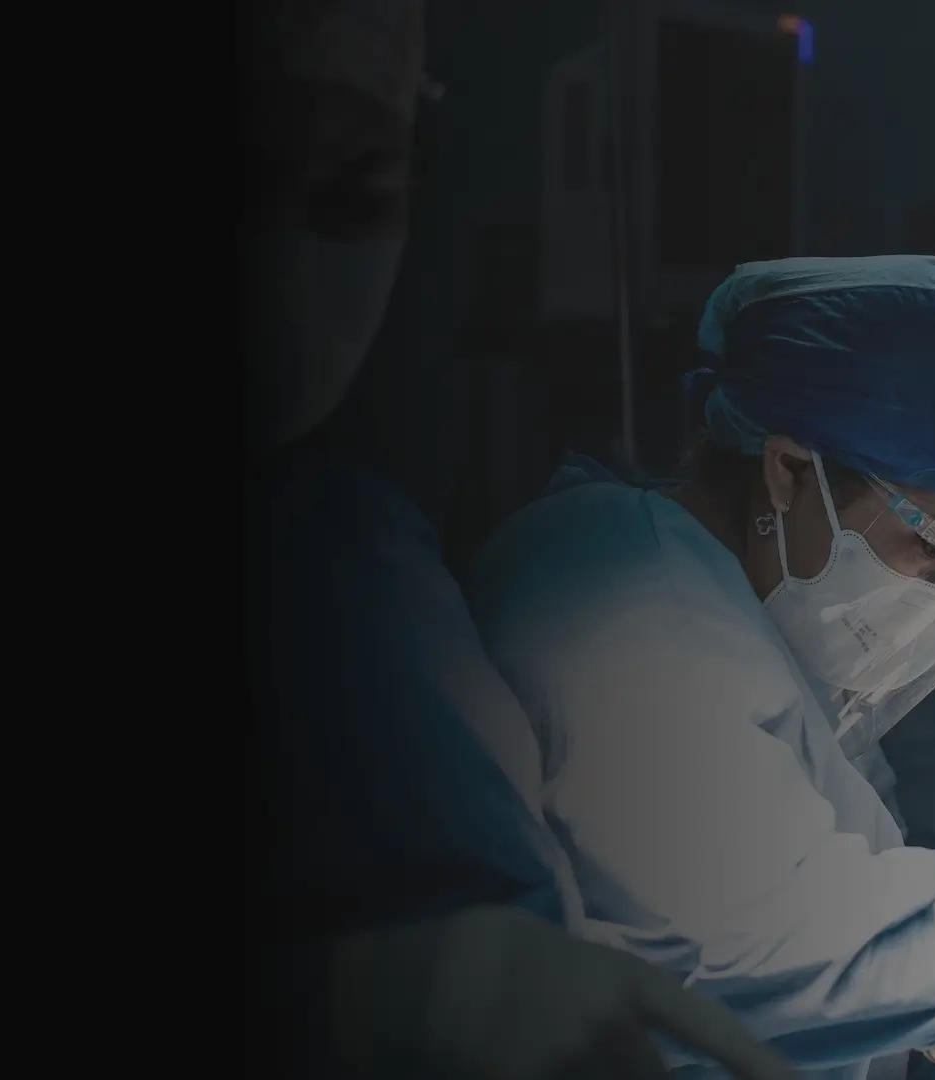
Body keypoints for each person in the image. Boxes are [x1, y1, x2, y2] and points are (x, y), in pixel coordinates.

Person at [461, 255, 935, 1080]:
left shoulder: (746, 623)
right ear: (788, 470)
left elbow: (819, 892)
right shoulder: (622, 599)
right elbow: (757, 936)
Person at [242, 2, 801, 1076]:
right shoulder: (625, 580)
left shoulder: (342, 553)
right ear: (796, 466)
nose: (286, 256)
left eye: (356, 190)